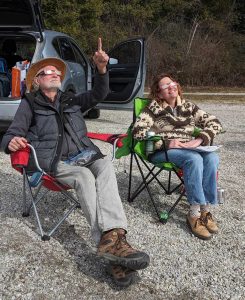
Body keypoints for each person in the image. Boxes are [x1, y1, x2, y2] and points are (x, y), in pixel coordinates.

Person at [1, 38, 150, 287]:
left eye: (57, 72)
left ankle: (113, 239)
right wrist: (12, 142)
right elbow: (9, 134)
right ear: (37, 81)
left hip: (85, 154)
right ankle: (109, 243)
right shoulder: (30, 104)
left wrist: (102, 69)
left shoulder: (70, 101)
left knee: (103, 166)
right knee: (83, 176)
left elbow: (99, 94)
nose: (54, 74)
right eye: (47, 72)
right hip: (55, 162)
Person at [133, 73, 223, 240]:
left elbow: (215, 122)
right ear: (159, 93)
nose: (170, 86)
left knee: (212, 158)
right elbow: (138, 132)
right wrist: (166, 142)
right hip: (161, 152)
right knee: (194, 159)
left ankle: (205, 210)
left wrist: (200, 139)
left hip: (188, 148)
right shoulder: (153, 108)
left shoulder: (188, 106)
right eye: (165, 86)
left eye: (172, 83)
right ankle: (194, 214)